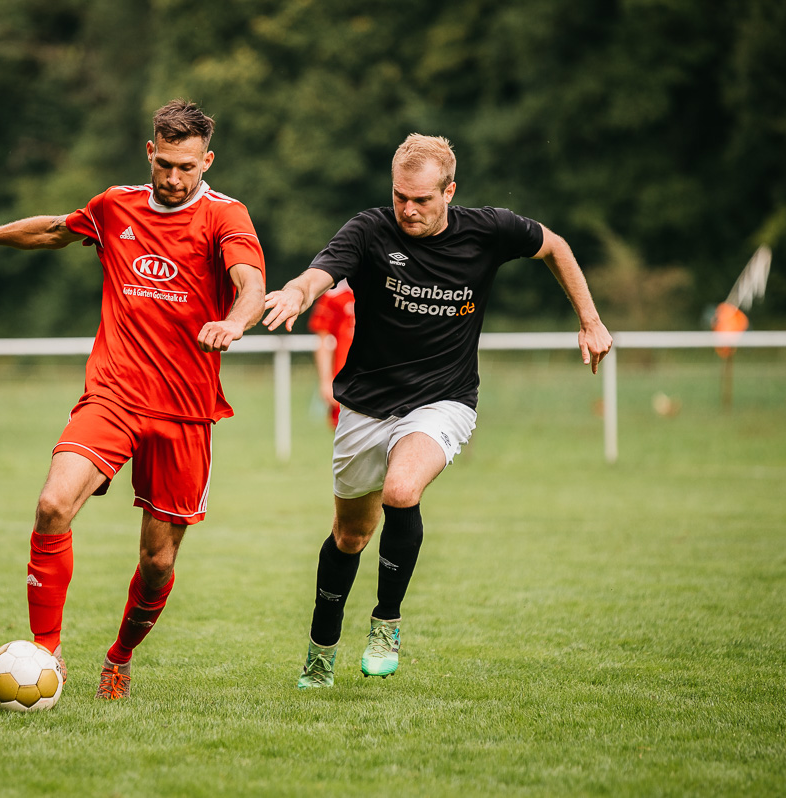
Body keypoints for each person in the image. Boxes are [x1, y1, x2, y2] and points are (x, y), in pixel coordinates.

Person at [0, 100, 266, 701]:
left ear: (207, 161)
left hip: (185, 410)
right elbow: (54, 231)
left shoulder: (226, 216)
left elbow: (250, 281)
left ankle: (119, 656)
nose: (174, 178)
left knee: (159, 561)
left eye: (187, 167)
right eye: (165, 163)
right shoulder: (115, 205)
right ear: (150, 152)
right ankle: (47, 653)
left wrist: (237, 321)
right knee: (51, 505)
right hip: (113, 394)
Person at [262, 134, 612, 688]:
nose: (408, 209)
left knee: (403, 491)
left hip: (443, 400)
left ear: (450, 191)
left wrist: (590, 320)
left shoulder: (488, 230)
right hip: (365, 406)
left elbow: (556, 246)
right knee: (350, 536)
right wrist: (296, 292)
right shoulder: (370, 230)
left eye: (422, 199)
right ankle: (320, 651)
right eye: (401, 196)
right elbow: (320, 274)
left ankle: (386, 623)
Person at [307, 280, 355, 428]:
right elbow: (324, 341)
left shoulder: (390, 291)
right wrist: (325, 380)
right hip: (346, 380)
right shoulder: (335, 295)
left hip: (382, 378)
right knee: (347, 440)